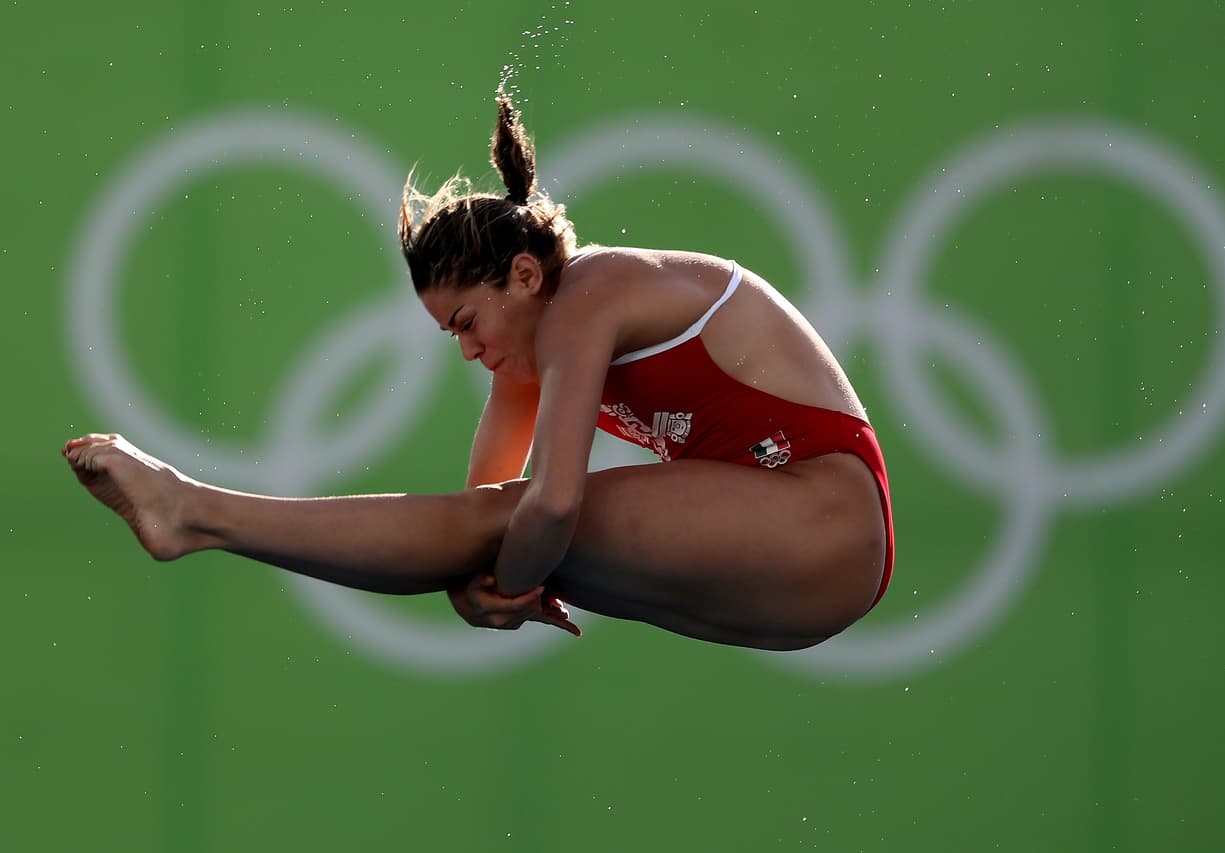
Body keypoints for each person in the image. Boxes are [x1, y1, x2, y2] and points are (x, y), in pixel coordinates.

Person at [63, 92, 894, 651]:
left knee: (523, 527)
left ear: (525, 276)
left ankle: (195, 510)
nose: (466, 348)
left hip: (825, 522)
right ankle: (196, 516)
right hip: (805, 588)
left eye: (466, 321)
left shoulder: (587, 299)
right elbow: (476, 517)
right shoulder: (538, 334)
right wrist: (483, 584)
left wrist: (503, 578)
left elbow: (552, 501)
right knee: (499, 528)